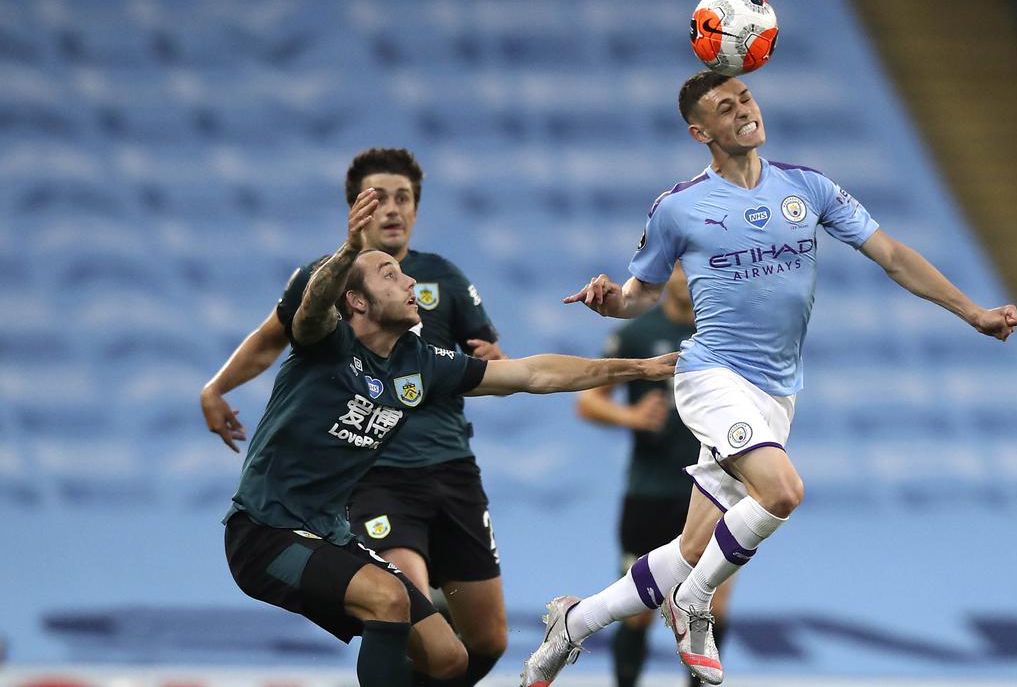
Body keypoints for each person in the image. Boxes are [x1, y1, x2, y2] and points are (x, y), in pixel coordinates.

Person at [520, 70, 1017, 687]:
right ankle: (693, 603)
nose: (743, 112)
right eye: (725, 108)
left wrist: (973, 310)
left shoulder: (807, 188)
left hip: (776, 393)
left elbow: (891, 255)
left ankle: (574, 622)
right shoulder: (679, 207)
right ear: (700, 131)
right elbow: (638, 297)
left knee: (691, 550)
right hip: (710, 375)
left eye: (746, 99)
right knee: (782, 492)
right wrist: (609, 301)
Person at [225, 190, 678, 686]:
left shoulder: (419, 363)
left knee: (449, 659)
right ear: (356, 300)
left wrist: (636, 367)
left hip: (331, 533)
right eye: (389, 276)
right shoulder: (327, 344)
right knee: (388, 598)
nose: (410, 281)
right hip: (265, 534)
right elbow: (311, 309)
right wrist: (350, 249)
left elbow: (532, 374)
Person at [201, 148, 511, 685]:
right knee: (394, 598)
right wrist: (217, 387)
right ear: (355, 209)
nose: (392, 209)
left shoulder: (443, 280)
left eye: (404, 198)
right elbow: (271, 340)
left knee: (482, 644)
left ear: (417, 208)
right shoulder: (323, 281)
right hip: (375, 472)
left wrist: (499, 362)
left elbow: (498, 362)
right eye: (378, 198)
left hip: (451, 465)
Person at [576, 263, 733, 687]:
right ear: (668, 277)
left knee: (711, 610)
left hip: (714, 490)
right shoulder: (638, 335)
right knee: (640, 609)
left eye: (696, 268)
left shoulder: (727, 333)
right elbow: (589, 402)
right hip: (650, 490)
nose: (687, 277)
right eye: (680, 268)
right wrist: (630, 415)